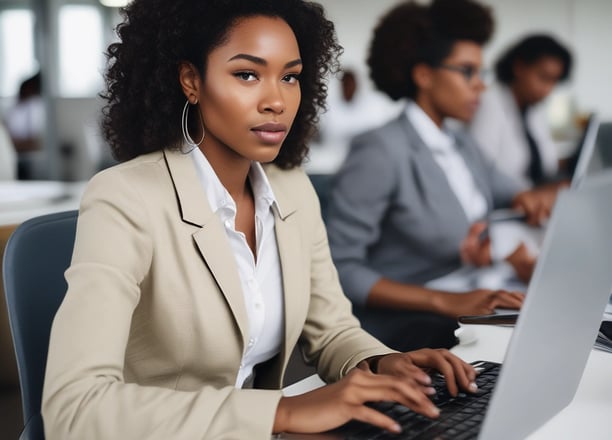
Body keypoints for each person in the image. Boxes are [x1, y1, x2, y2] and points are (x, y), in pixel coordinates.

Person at [41, 1, 479, 439]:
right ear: (191, 80)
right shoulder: (125, 198)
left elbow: (332, 331)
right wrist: (281, 413)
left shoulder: (290, 188)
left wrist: (382, 362)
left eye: (290, 77)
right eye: (247, 74)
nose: (276, 101)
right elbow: (75, 406)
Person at [326, 0, 557, 352]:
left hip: (467, 299)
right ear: (424, 75)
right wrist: (444, 301)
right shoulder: (380, 151)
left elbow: (511, 191)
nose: (480, 86)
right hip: (405, 327)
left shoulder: (460, 142)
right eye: (467, 71)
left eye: (482, 73)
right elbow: (339, 269)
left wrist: (529, 199)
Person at [469, 34, 573, 189]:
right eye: (543, 78)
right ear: (519, 68)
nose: (548, 90)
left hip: (538, 201)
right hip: (508, 204)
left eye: (554, 81)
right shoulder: (489, 104)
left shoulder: (534, 111)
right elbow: (481, 172)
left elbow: (543, 165)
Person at [4, 71, 45, 179]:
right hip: (18, 155)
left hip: (25, 156)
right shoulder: (16, 109)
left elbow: (34, 143)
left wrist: (11, 142)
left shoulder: (34, 106)